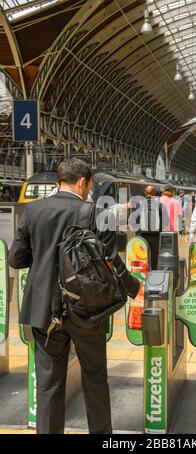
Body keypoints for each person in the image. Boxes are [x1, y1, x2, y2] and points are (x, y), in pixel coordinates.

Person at [8, 158, 139, 434]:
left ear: (60, 180)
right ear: (83, 183)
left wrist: (43, 255)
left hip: (44, 312)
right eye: (89, 185)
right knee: (94, 379)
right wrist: (134, 287)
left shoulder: (33, 211)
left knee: (49, 385)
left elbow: (16, 259)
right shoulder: (92, 213)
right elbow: (111, 261)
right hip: (86, 312)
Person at [137, 185, 168, 269]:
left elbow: (134, 221)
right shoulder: (160, 205)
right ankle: (154, 274)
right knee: (155, 258)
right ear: (154, 193)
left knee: (143, 256)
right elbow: (166, 222)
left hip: (142, 235)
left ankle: (144, 276)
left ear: (145, 193)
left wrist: (138, 233)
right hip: (156, 236)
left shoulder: (138, 205)